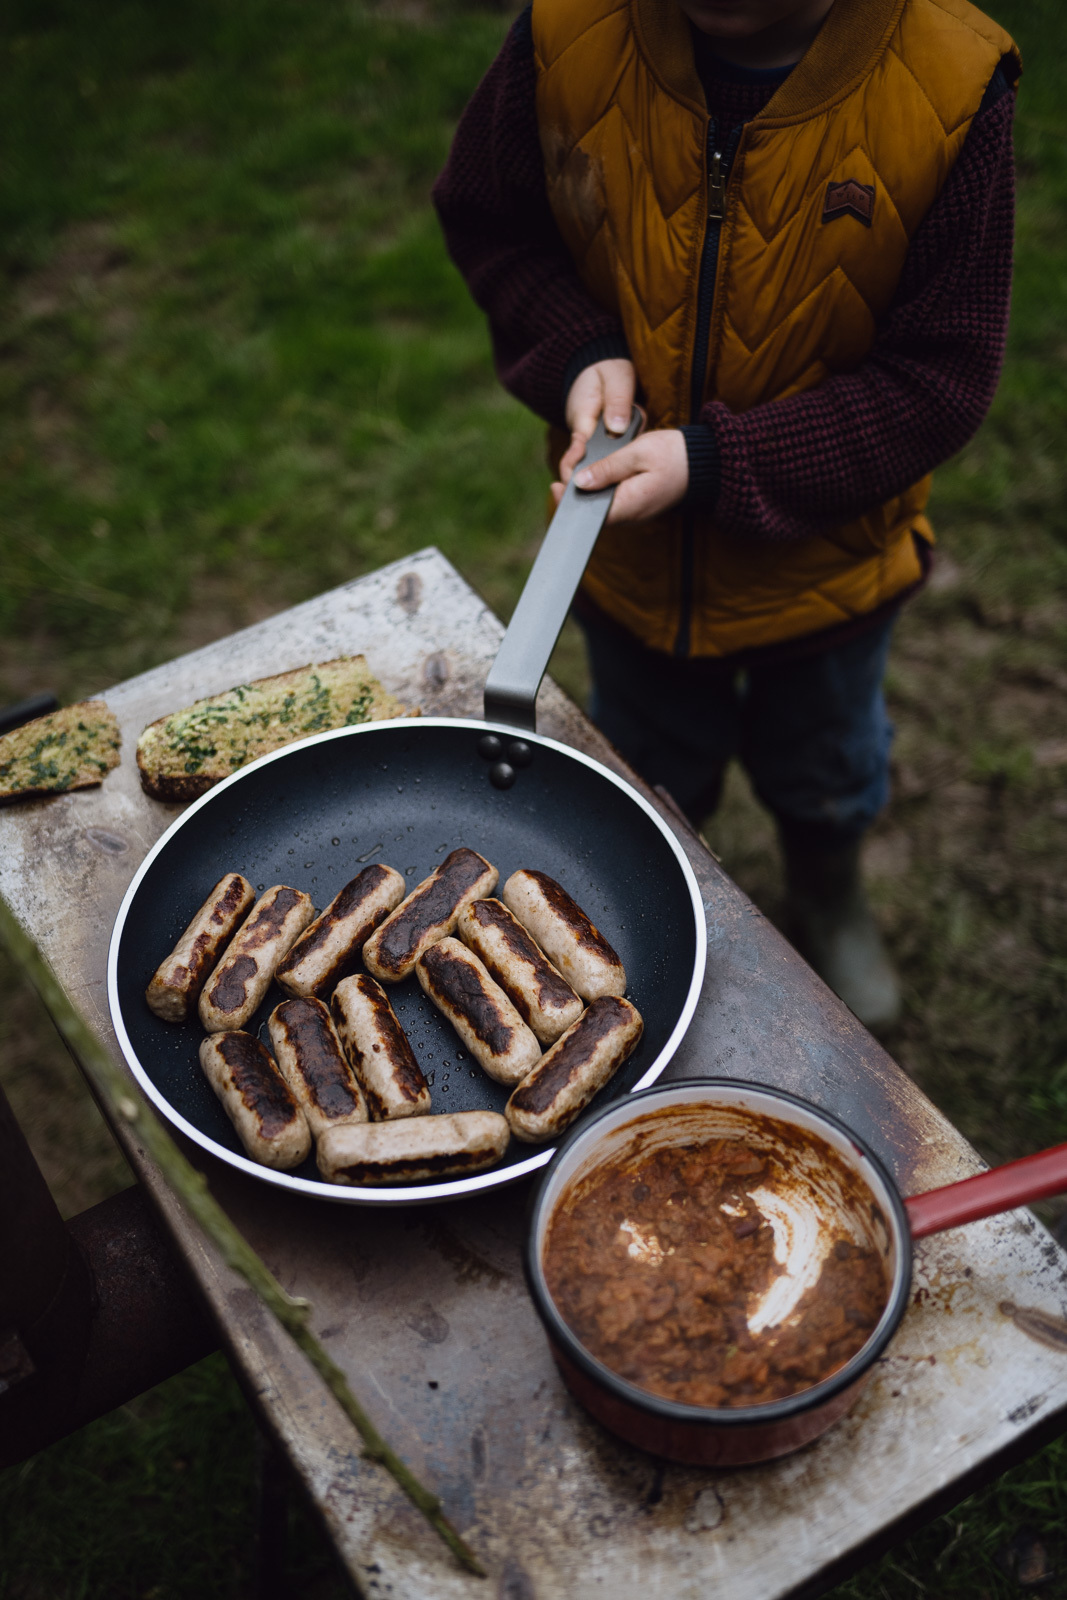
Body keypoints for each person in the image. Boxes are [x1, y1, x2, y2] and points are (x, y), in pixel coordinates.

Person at [433, 0, 1019, 1030]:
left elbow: (937, 379)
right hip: (633, 565)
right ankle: (654, 899)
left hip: (826, 567)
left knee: (826, 761)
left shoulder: (951, 80)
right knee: (652, 761)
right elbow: (495, 225)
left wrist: (718, 462)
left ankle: (827, 891)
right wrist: (576, 348)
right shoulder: (568, 33)